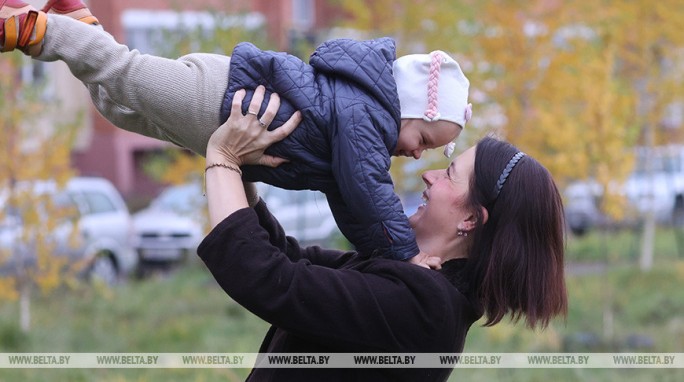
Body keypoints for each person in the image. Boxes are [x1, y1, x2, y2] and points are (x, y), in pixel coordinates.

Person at [0, 0, 473, 263]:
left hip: (216, 115)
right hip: (220, 95)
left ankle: (80, 23)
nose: (417, 156)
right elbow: (372, 193)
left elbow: (354, 209)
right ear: (407, 109)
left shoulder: (356, 137)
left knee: (121, 109)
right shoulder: (367, 116)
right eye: (425, 142)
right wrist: (407, 257)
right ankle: (33, 28)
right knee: (123, 72)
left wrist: (384, 258)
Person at [199, 86, 568, 380]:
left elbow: (269, 281)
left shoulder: (426, 310)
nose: (429, 174)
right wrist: (241, 167)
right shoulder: (414, 276)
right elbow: (291, 261)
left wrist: (223, 158)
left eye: (449, 174)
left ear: (471, 219)